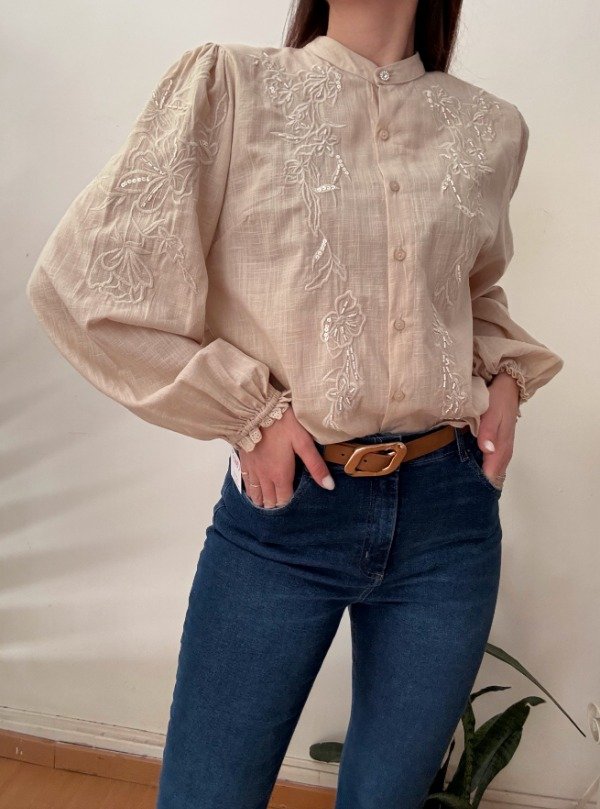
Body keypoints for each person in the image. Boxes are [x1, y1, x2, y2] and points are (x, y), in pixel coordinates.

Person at [25, 0, 564, 806]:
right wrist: (250, 412)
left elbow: (472, 293)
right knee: (208, 793)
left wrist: (508, 380)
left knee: (389, 797)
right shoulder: (232, 87)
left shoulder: (490, 128)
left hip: (449, 519)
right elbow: (85, 286)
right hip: (288, 514)